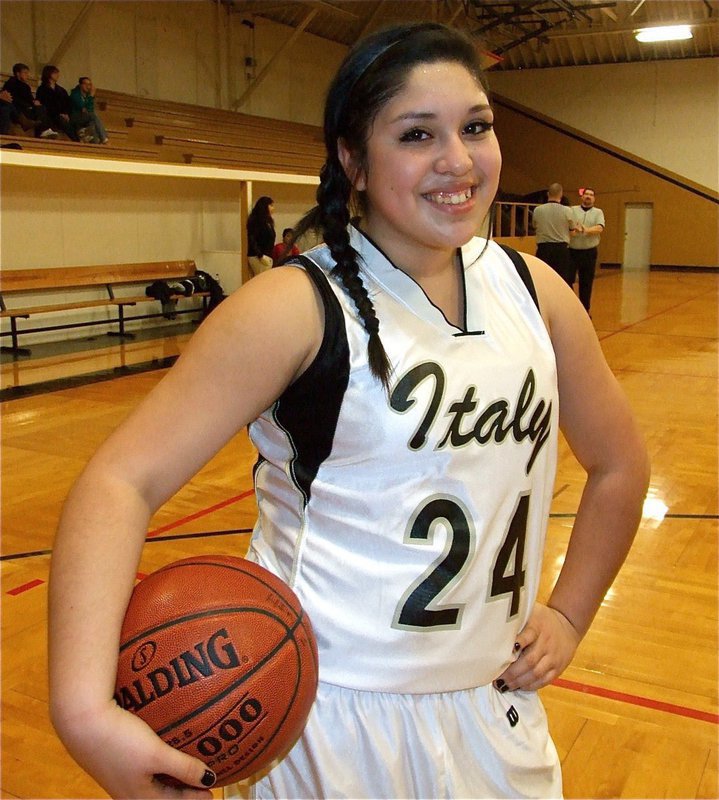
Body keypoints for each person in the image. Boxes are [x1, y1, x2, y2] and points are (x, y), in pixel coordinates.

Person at [48, 22, 649, 800]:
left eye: (474, 127)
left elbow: (620, 464)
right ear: (352, 160)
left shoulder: (535, 293)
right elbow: (119, 482)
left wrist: (569, 614)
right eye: (416, 135)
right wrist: (81, 710)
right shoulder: (293, 306)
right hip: (326, 718)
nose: (457, 160)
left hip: (493, 706)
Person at [568, 187, 605, 313]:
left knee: (586, 283)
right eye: (586, 194)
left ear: (594, 198)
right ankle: (571, 307)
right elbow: (567, 226)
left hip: (589, 252)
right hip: (572, 251)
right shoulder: (572, 210)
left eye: (591, 195)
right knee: (568, 280)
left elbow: (599, 228)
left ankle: (585, 310)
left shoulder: (598, 212)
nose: (588, 196)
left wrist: (586, 230)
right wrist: (573, 230)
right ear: (582, 197)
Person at [531, 182, 576, 284]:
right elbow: (572, 230)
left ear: (548, 194)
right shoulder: (568, 211)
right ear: (561, 194)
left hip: (543, 249)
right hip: (561, 250)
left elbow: (534, 225)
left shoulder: (538, 210)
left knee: (543, 280)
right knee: (562, 281)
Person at [1, 62, 59, 138]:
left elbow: (30, 98)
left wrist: (34, 102)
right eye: (25, 73)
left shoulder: (26, 86)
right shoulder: (11, 84)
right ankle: (41, 130)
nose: (27, 75)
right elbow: (12, 99)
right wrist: (29, 105)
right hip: (20, 108)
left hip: (28, 108)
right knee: (40, 110)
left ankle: (43, 131)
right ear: (18, 74)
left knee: (42, 108)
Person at [35, 65, 80, 141]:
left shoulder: (61, 90)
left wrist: (66, 113)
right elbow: (45, 104)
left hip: (62, 114)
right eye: (55, 73)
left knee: (73, 119)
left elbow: (67, 103)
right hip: (51, 114)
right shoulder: (42, 89)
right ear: (49, 74)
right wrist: (59, 113)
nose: (58, 75)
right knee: (61, 120)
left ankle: (80, 137)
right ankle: (76, 140)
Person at [69, 76, 108, 144]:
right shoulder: (75, 94)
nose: (88, 87)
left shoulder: (87, 96)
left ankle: (95, 141)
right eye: (86, 84)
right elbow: (82, 107)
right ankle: (103, 137)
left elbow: (89, 109)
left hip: (86, 118)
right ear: (81, 85)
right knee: (93, 115)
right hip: (76, 118)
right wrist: (91, 96)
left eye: (89, 85)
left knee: (93, 123)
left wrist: (88, 101)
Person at [246, 196, 275, 276]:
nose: (273, 208)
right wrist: (260, 255)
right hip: (257, 256)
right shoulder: (256, 220)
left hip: (266, 255)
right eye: (271, 205)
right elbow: (252, 238)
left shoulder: (268, 221)